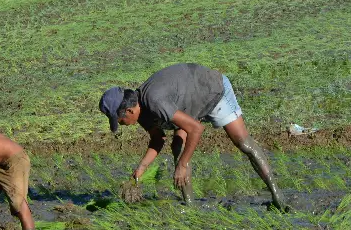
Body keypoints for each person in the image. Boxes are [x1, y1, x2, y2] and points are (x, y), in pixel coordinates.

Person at [99, 63, 288, 210]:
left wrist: (182, 165)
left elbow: (196, 129)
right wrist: (140, 169)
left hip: (213, 90)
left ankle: (278, 197)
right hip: (187, 104)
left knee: (243, 143)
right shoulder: (141, 110)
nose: (122, 125)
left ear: (129, 110)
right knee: (177, 148)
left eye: (120, 121)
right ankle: (190, 206)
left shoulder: (154, 101)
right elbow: (158, 140)